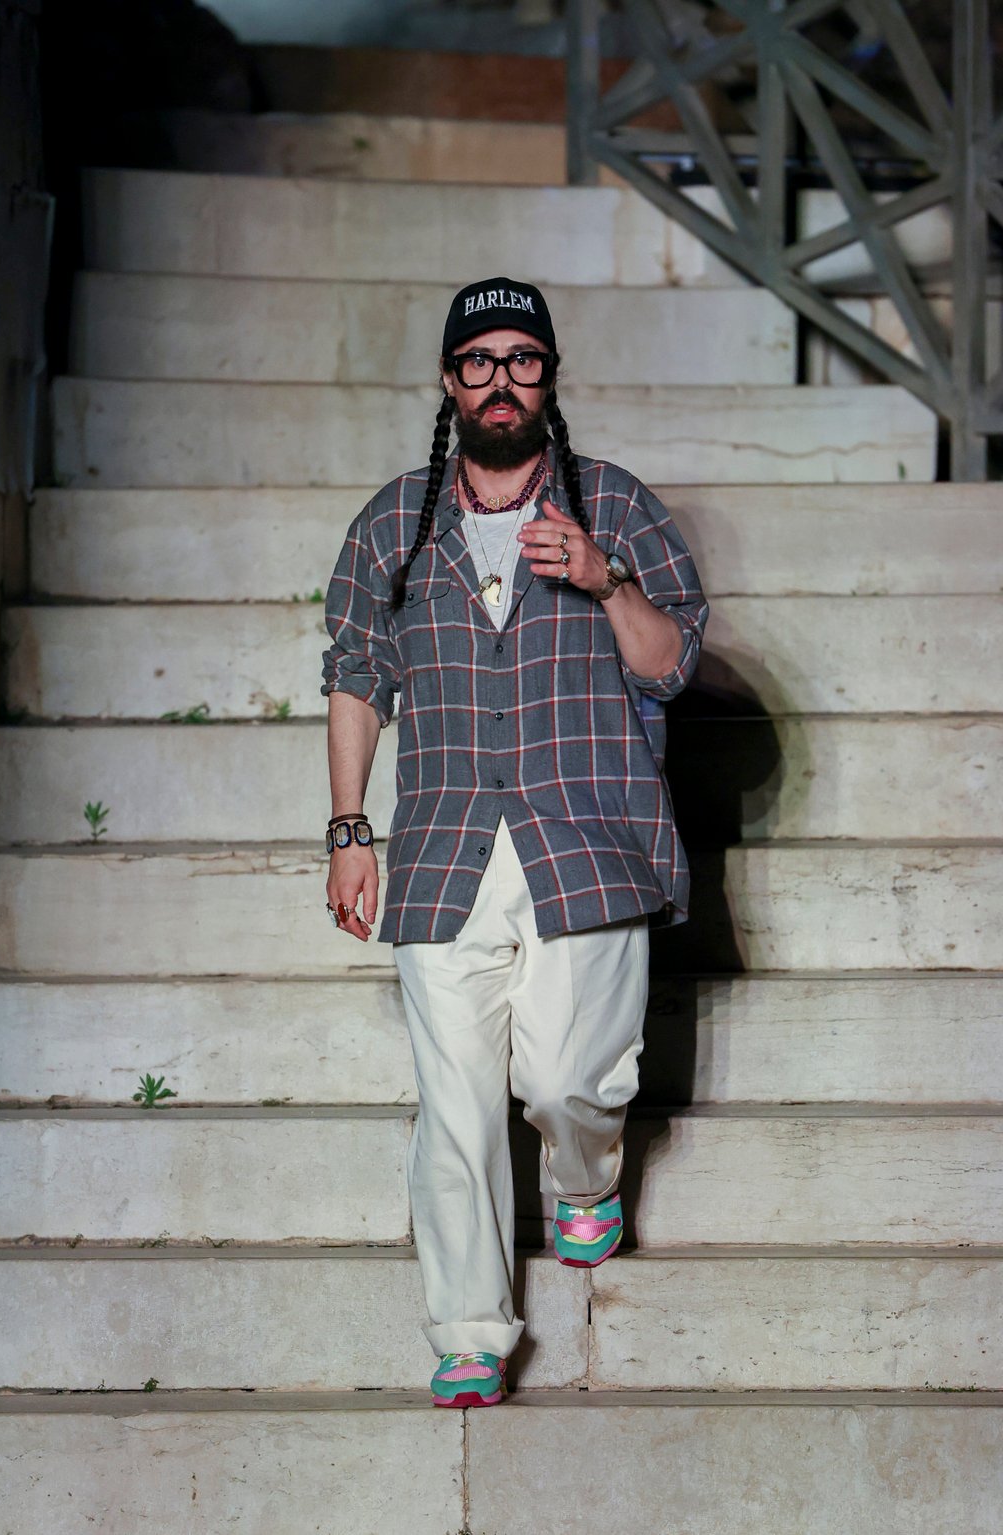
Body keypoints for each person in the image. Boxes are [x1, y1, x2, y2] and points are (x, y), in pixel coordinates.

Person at [321, 277, 708, 1409]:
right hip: (444, 850)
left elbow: (671, 663)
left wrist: (603, 576)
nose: (501, 380)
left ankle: (586, 1177)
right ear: (450, 380)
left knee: (567, 1080)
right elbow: (355, 676)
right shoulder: (393, 522)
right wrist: (349, 828)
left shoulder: (615, 504)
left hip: (585, 841)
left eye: (522, 359)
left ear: (548, 376)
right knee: (454, 1108)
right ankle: (470, 1329)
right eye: (479, 360)